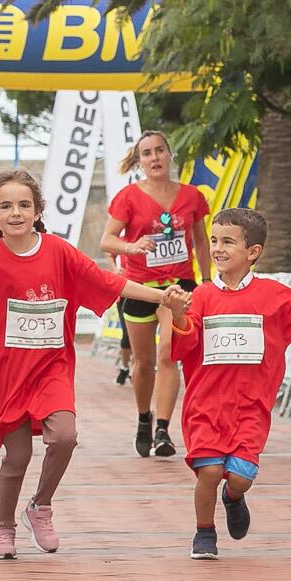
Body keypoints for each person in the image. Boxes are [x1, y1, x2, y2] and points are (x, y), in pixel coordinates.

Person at [0, 168, 188, 559]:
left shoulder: (58, 251)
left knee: (64, 436)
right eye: (6, 206)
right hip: (7, 374)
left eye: (24, 205)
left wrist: (161, 298)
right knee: (17, 456)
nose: (16, 213)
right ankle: (4, 526)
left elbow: (106, 281)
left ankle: (40, 506)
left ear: (37, 210)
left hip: (51, 369)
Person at [168, 207, 291, 561]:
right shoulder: (204, 296)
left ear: (253, 252)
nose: (218, 249)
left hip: (251, 407)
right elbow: (185, 342)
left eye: (228, 242)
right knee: (208, 471)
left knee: (239, 477)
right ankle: (204, 532)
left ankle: (234, 498)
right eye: (214, 241)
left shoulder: (273, 295)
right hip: (205, 405)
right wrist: (177, 313)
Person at [99, 132, 210, 458]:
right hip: (139, 287)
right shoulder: (129, 197)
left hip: (179, 285)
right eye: (147, 153)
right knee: (144, 363)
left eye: (160, 150)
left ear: (169, 154)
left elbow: (201, 241)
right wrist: (131, 247)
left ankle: (163, 429)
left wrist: (204, 279)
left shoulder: (192, 196)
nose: (155, 157)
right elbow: (108, 240)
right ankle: (144, 418)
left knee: (167, 355)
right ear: (140, 161)